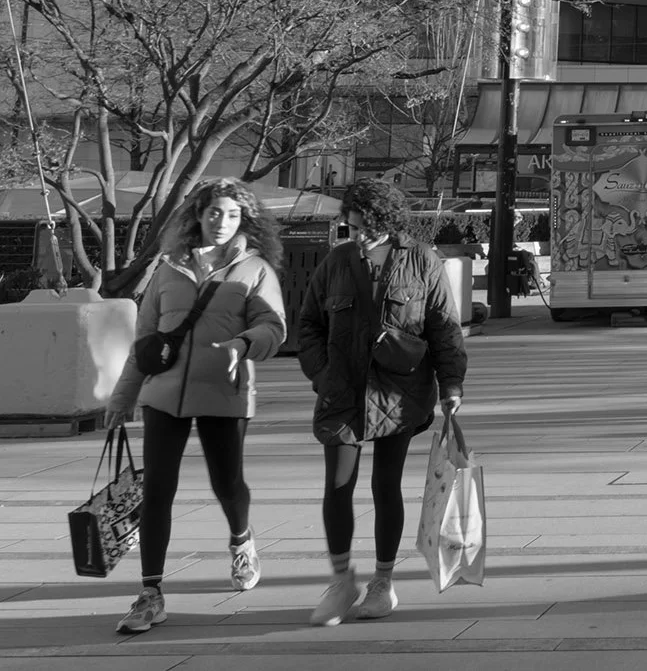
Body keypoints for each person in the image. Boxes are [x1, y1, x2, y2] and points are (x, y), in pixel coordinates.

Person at [105, 180, 288, 636]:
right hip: (164, 396)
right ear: (197, 216)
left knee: (227, 482)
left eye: (230, 214)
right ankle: (150, 593)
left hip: (225, 394)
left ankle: (241, 541)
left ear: (244, 219)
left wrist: (244, 343)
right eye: (213, 213)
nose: (221, 222)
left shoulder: (256, 269)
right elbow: (145, 341)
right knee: (157, 490)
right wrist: (124, 395)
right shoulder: (168, 269)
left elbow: (274, 326)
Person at [293, 176, 466, 626]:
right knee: (337, 485)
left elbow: (444, 328)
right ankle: (341, 579)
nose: (357, 232)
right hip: (342, 389)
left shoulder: (422, 261)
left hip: (400, 391)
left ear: (385, 220)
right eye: (351, 223)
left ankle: (383, 584)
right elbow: (308, 323)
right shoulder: (336, 261)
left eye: (365, 224)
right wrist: (321, 373)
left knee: (385, 487)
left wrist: (451, 386)